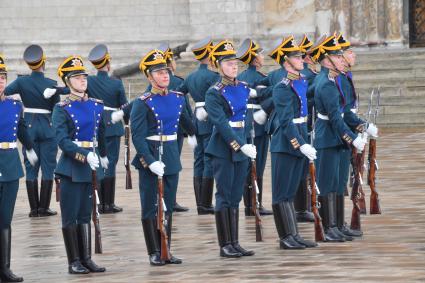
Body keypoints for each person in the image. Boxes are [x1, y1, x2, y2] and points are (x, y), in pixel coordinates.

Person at [130, 49, 196, 266]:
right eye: (159, 72)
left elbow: (189, 125)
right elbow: (138, 137)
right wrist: (150, 161)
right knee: (150, 206)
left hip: (170, 156)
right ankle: (153, 251)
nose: (165, 75)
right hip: (150, 157)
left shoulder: (178, 98)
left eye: (166, 71)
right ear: (149, 77)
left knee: (167, 205)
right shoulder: (143, 102)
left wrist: (203, 118)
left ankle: (166, 248)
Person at [52, 55, 107, 274]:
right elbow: (62, 140)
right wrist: (84, 154)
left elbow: (100, 132)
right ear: (67, 82)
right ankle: (73, 260)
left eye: (83, 76)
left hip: (91, 167)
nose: (82, 80)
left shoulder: (96, 105)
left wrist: (103, 155)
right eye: (77, 77)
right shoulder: (62, 108)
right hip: (72, 168)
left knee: (86, 214)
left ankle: (86, 258)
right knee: (70, 215)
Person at [310, 34, 367, 242]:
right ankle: (329, 226)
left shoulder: (333, 81)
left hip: (336, 137)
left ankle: (338, 224)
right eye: (337, 56)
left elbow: (344, 113)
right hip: (328, 137)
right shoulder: (325, 84)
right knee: (327, 184)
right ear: (326, 60)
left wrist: (363, 127)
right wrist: (352, 138)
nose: (342, 59)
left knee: (337, 182)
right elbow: (335, 118)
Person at [205, 40, 256, 258]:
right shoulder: (214, 92)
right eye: (228, 63)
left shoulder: (244, 88)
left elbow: (245, 117)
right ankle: (224, 244)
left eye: (235, 63)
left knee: (236, 196)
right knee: (224, 195)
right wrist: (240, 145)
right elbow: (221, 124)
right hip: (224, 148)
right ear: (218, 66)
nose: (234, 66)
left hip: (242, 146)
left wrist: (248, 142)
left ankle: (235, 242)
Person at [269, 36, 317, 249]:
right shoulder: (282, 87)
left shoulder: (301, 80)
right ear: (286, 62)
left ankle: (294, 234)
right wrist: (300, 143)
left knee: (290, 191)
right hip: (286, 144)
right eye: (296, 57)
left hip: (300, 138)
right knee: (282, 192)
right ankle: (285, 237)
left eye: (300, 56)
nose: (301, 59)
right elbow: (286, 121)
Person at [5, 44, 59, 217]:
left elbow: (4, 92)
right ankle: (44, 208)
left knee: (31, 168)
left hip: (28, 125)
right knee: (48, 168)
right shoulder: (51, 83)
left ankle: (33, 209)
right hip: (48, 126)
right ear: (43, 62)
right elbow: (56, 108)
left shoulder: (21, 81)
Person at [0, 54, 38, 282]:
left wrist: (31, 148)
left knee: (5, 219)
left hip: (11, 165)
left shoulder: (14, 104)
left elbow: (21, 129)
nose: (1, 82)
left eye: (3, 77)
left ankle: (4, 268)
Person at [336, 33, 378, 236]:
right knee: (346, 172)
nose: (354, 55)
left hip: (350, 124)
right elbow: (342, 112)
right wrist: (362, 126)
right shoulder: (339, 79)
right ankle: (338, 222)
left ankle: (346, 216)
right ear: (341, 57)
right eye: (350, 52)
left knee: (354, 169)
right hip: (343, 128)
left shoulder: (346, 76)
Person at [176, 37, 220, 215]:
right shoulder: (213, 76)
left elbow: (178, 94)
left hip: (196, 119)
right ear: (210, 55)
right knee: (209, 158)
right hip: (209, 118)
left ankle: (200, 203)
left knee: (198, 159)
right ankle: (206, 204)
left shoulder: (191, 77)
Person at [87, 44, 128, 214]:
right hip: (112, 125)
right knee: (110, 164)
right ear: (108, 63)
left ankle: (99, 203)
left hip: (95, 124)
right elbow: (124, 105)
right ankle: (108, 204)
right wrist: (125, 120)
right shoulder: (116, 83)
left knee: (97, 163)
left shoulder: (89, 80)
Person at [235, 38, 273, 216]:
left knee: (246, 166)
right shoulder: (262, 79)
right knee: (258, 165)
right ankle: (256, 204)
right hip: (258, 124)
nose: (263, 57)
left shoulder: (239, 77)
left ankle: (248, 205)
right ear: (255, 59)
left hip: (243, 123)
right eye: (260, 54)